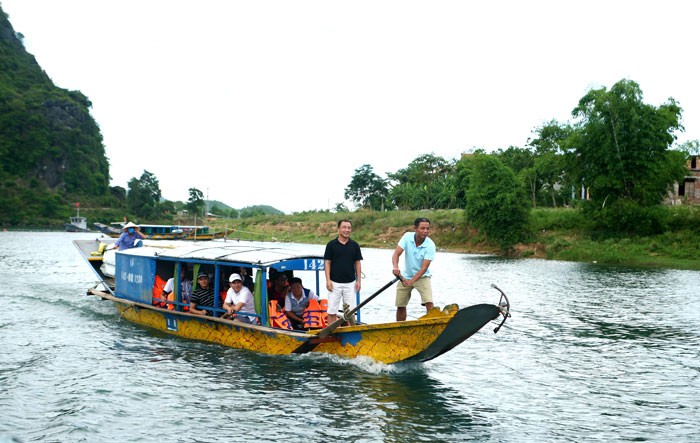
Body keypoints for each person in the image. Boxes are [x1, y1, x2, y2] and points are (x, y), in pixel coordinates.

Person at [392, 217, 436, 321]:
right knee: (400, 305)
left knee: (428, 302)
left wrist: (412, 281)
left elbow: (424, 267)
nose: (425, 231)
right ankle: (400, 329)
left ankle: (432, 326)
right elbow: (396, 254)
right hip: (405, 277)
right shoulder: (407, 237)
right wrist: (395, 267)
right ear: (415, 229)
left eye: (427, 228)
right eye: (422, 228)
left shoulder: (430, 245)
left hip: (423, 277)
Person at [324, 219, 362, 324]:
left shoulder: (354, 245)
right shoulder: (331, 245)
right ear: (339, 229)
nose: (347, 230)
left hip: (350, 283)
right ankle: (331, 333)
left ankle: (351, 333)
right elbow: (327, 263)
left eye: (349, 228)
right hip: (334, 282)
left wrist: (358, 281)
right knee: (332, 310)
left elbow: (357, 263)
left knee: (350, 312)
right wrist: (328, 280)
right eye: (344, 227)